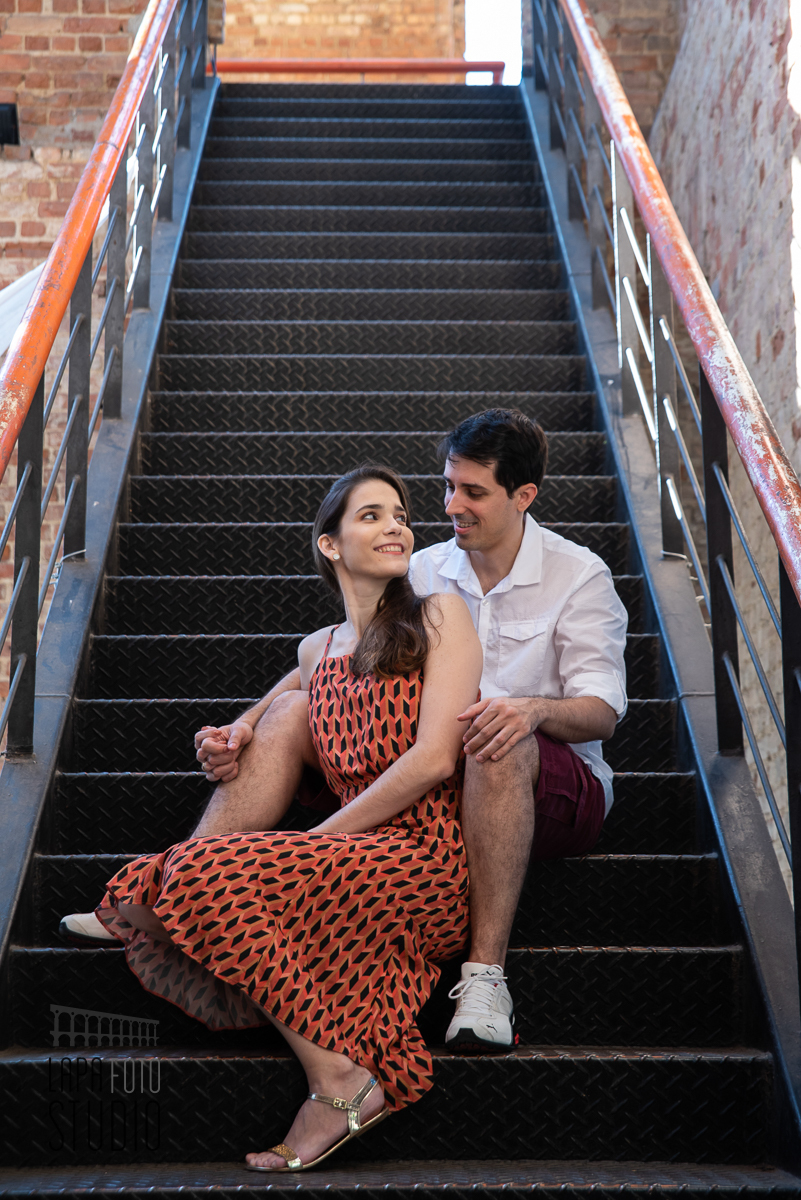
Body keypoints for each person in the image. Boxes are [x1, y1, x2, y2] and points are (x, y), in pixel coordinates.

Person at [63, 408, 628, 1054]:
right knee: (293, 712)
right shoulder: (424, 569)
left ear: (523, 495)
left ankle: (484, 978)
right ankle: (175, 888)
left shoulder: (577, 574)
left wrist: (529, 710)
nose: (450, 506)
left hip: (546, 783)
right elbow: (332, 659)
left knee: (492, 733)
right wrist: (243, 724)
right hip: (434, 786)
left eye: (472, 492)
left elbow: (601, 711)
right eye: (447, 486)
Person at [88, 465, 482, 1171]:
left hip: (422, 858)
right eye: (371, 515)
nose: (395, 526)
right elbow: (292, 689)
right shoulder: (317, 648)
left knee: (200, 880)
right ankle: (337, 1073)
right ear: (329, 544)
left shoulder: (439, 616)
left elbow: (433, 760)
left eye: (399, 515)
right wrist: (241, 725)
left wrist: (314, 845)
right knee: (193, 884)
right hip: (349, 861)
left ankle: (336, 1081)